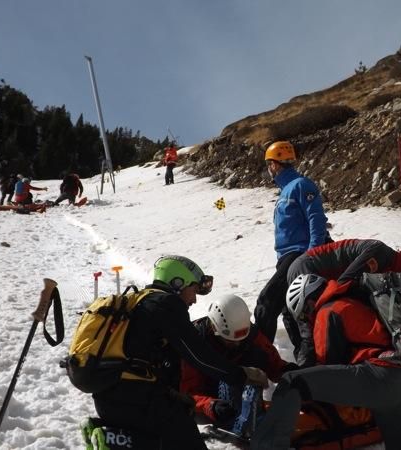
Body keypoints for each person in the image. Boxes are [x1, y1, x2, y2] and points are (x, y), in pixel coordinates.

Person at [92, 255, 269, 449]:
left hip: (111, 397)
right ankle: (111, 440)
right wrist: (241, 375)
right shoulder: (167, 305)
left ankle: (109, 435)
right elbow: (200, 357)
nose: (194, 299)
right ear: (177, 283)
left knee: (165, 438)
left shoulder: (144, 303)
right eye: (193, 289)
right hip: (133, 397)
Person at [251, 274, 401, 450]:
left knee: (293, 382)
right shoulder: (355, 302)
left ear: (310, 302)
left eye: (304, 315)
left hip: (381, 378)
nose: (307, 321)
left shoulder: (328, 311)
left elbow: (325, 363)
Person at [286, 238, 401, 366]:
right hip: (308, 268)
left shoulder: (393, 271)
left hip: (319, 274)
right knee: (313, 330)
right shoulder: (381, 254)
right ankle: (303, 380)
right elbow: (344, 284)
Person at [254, 140, 329, 360]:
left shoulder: (300, 185)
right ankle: (305, 362)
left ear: (275, 165)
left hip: (299, 255)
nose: (269, 169)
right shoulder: (285, 191)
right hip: (287, 257)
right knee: (290, 314)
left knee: (266, 303)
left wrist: (312, 253)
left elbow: (316, 218)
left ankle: (258, 363)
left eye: (269, 164)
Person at [180, 294, 296, 428]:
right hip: (210, 394)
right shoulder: (195, 342)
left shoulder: (249, 333)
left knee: (257, 354)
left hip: (238, 385)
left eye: (241, 339)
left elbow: (272, 361)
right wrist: (210, 405)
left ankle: (251, 409)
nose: (237, 344)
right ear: (214, 329)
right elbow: (188, 392)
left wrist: (287, 372)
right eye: (230, 341)